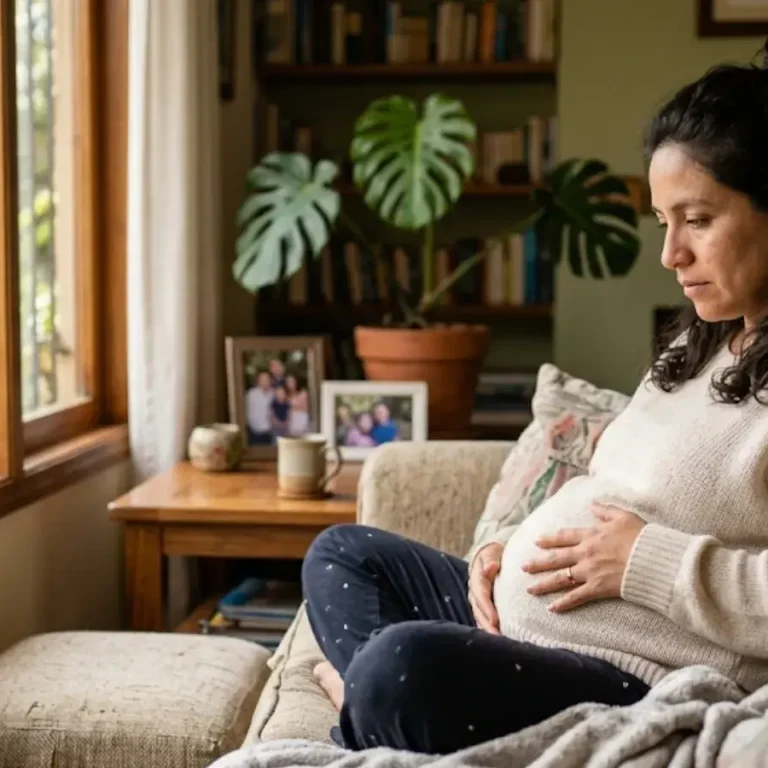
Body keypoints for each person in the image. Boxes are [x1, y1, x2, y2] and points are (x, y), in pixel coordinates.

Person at [301, 45, 768, 756]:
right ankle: (373, 699)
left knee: (406, 668)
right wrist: (503, 548)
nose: (670, 254)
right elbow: (607, 483)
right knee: (343, 554)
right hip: (521, 633)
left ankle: (363, 702)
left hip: (631, 677)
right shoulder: (699, 344)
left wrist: (646, 561)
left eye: (697, 219)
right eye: (662, 222)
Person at [245, 371, 274, 445]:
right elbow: (248, 412)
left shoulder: (273, 393)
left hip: (270, 432)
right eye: (262, 380)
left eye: (267, 380)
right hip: (255, 432)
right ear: (258, 381)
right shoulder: (251, 394)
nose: (265, 382)